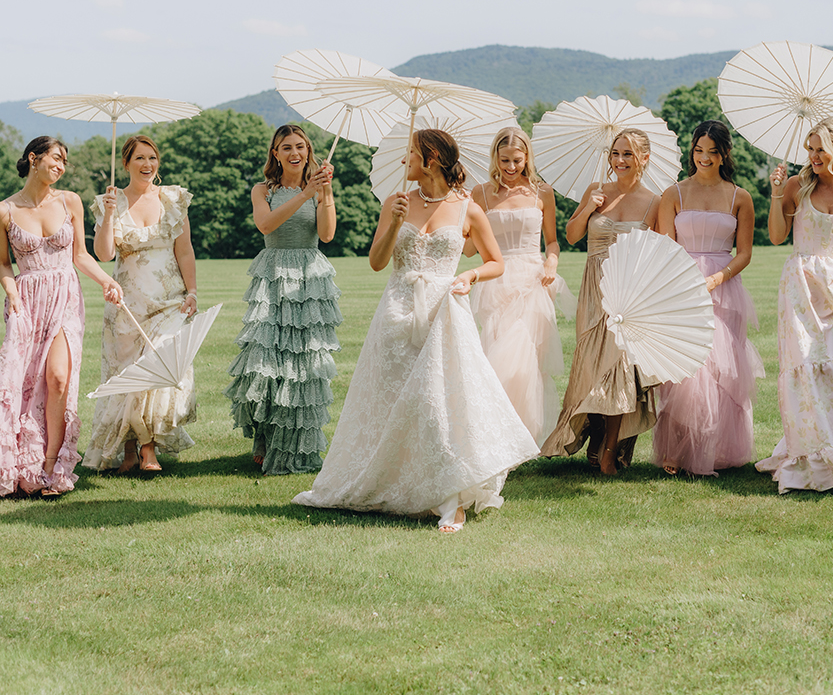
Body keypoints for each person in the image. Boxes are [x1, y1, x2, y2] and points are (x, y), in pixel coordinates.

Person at [294, 129, 540, 532]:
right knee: (392, 402)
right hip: (397, 309)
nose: (404, 160)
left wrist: (470, 276)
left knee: (437, 401)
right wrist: (392, 223)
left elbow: (496, 262)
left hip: (445, 310)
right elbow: (376, 262)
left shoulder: (467, 207)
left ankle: (451, 499)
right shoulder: (396, 202)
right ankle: (394, 483)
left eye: (410, 153)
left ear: (432, 160)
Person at [756, 117, 833, 493]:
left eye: (820, 149)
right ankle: (825, 454)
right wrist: (776, 193)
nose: (813, 156)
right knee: (805, 367)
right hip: (800, 290)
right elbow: (777, 237)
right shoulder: (797, 186)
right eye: (809, 149)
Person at [0, 136, 122, 496]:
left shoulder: (69, 201)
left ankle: (53, 468)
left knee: (57, 378)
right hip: (27, 302)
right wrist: (11, 292)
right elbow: (3, 264)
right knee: (22, 383)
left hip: (65, 297)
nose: (60, 166)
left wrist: (105, 280)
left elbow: (81, 256)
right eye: (55, 159)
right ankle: (24, 465)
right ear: (33, 159)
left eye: (64, 162)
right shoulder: (5, 210)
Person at [541, 128, 659, 475]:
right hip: (594, 289)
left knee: (620, 370)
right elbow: (572, 234)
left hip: (629, 292)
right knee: (593, 367)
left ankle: (610, 451)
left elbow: (660, 251)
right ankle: (592, 438)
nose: (619, 161)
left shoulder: (656, 201)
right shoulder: (596, 191)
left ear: (644, 159)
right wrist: (588, 209)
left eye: (628, 154)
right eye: (615, 153)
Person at [223, 124, 341, 474]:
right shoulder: (264, 190)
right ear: (275, 154)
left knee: (304, 366)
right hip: (273, 277)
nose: (294, 153)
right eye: (286, 147)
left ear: (309, 151)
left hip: (308, 279)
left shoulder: (320, 189)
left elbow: (327, 234)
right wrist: (304, 194)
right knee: (267, 361)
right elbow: (266, 225)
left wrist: (326, 193)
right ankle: (265, 437)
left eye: (300, 146)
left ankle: (297, 445)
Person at [651, 121, 763, 476]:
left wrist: (718, 276)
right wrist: (678, 282)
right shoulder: (674, 194)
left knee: (721, 367)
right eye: (699, 150)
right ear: (692, 152)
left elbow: (744, 252)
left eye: (712, 152)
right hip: (681, 283)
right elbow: (663, 246)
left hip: (724, 285)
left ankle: (716, 450)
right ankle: (677, 450)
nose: (704, 157)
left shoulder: (739, 197)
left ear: (724, 154)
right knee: (685, 368)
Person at [83, 135, 198, 473]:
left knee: (158, 366)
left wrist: (192, 291)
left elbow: (185, 250)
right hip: (127, 304)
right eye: (140, 159)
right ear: (126, 164)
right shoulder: (110, 201)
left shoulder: (174, 199)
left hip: (169, 301)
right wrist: (107, 216)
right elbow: (104, 255)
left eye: (152, 158)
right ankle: (131, 451)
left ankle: (149, 450)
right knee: (128, 374)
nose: (148, 165)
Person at [466, 126, 575, 445]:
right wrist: (459, 219)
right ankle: (497, 435)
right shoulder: (480, 194)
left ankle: (522, 436)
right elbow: (470, 248)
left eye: (516, 160)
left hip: (533, 280)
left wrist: (551, 262)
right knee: (496, 356)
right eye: (504, 161)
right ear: (494, 159)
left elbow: (552, 242)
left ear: (527, 157)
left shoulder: (542, 192)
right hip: (495, 281)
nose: (510, 168)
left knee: (525, 361)